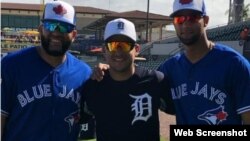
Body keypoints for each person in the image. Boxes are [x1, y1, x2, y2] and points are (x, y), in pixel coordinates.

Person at [92, 0, 250, 125]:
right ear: (174, 23)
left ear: (206, 20)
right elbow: (134, 80)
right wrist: (109, 68)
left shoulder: (234, 64)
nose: (185, 24)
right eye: (180, 19)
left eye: (193, 18)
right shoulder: (169, 69)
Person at [1, 1, 93, 141]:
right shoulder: (12, 65)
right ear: (40, 29)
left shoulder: (84, 73)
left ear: (74, 35)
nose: (56, 33)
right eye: (50, 25)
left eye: (64, 27)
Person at [80, 18, 175, 141]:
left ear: (136, 49)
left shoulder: (156, 81)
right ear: (104, 50)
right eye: (113, 45)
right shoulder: (93, 86)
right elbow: (75, 119)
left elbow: (184, 113)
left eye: (124, 45)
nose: (118, 52)